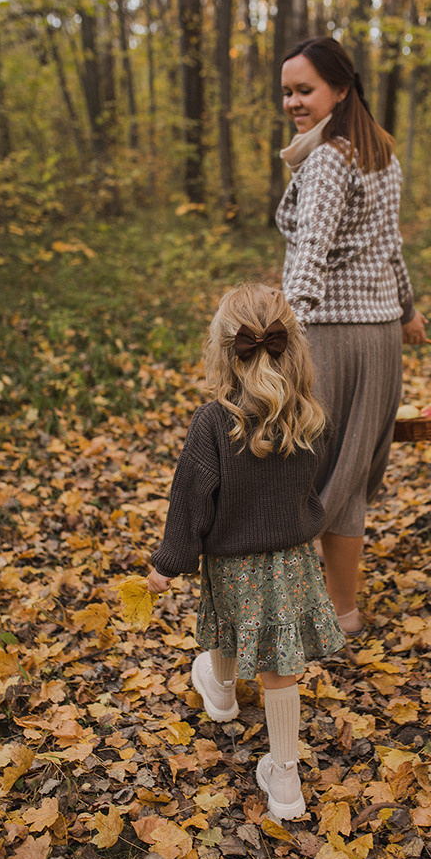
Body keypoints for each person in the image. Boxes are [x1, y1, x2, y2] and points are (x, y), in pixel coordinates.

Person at [147, 283, 345, 820]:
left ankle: (225, 694)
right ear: (293, 347)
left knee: (230, 622)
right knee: (281, 670)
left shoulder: (214, 422)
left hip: (233, 563)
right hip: (293, 562)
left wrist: (169, 563)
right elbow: (308, 482)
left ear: (222, 349)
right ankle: (284, 779)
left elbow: (192, 499)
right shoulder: (309, 415)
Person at [276, 35, 427, 637]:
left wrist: (285, 331)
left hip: (332, 336)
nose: (293, 102)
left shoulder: (328, 160)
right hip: (381, 338)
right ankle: (342, 611)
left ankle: (301, 609)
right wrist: (407, 311)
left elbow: (311, 249)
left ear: (340, 89)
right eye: (286, 92)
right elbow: (392, 247)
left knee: (308, 470)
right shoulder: (379, 153)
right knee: (350, 473)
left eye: (304, 90)